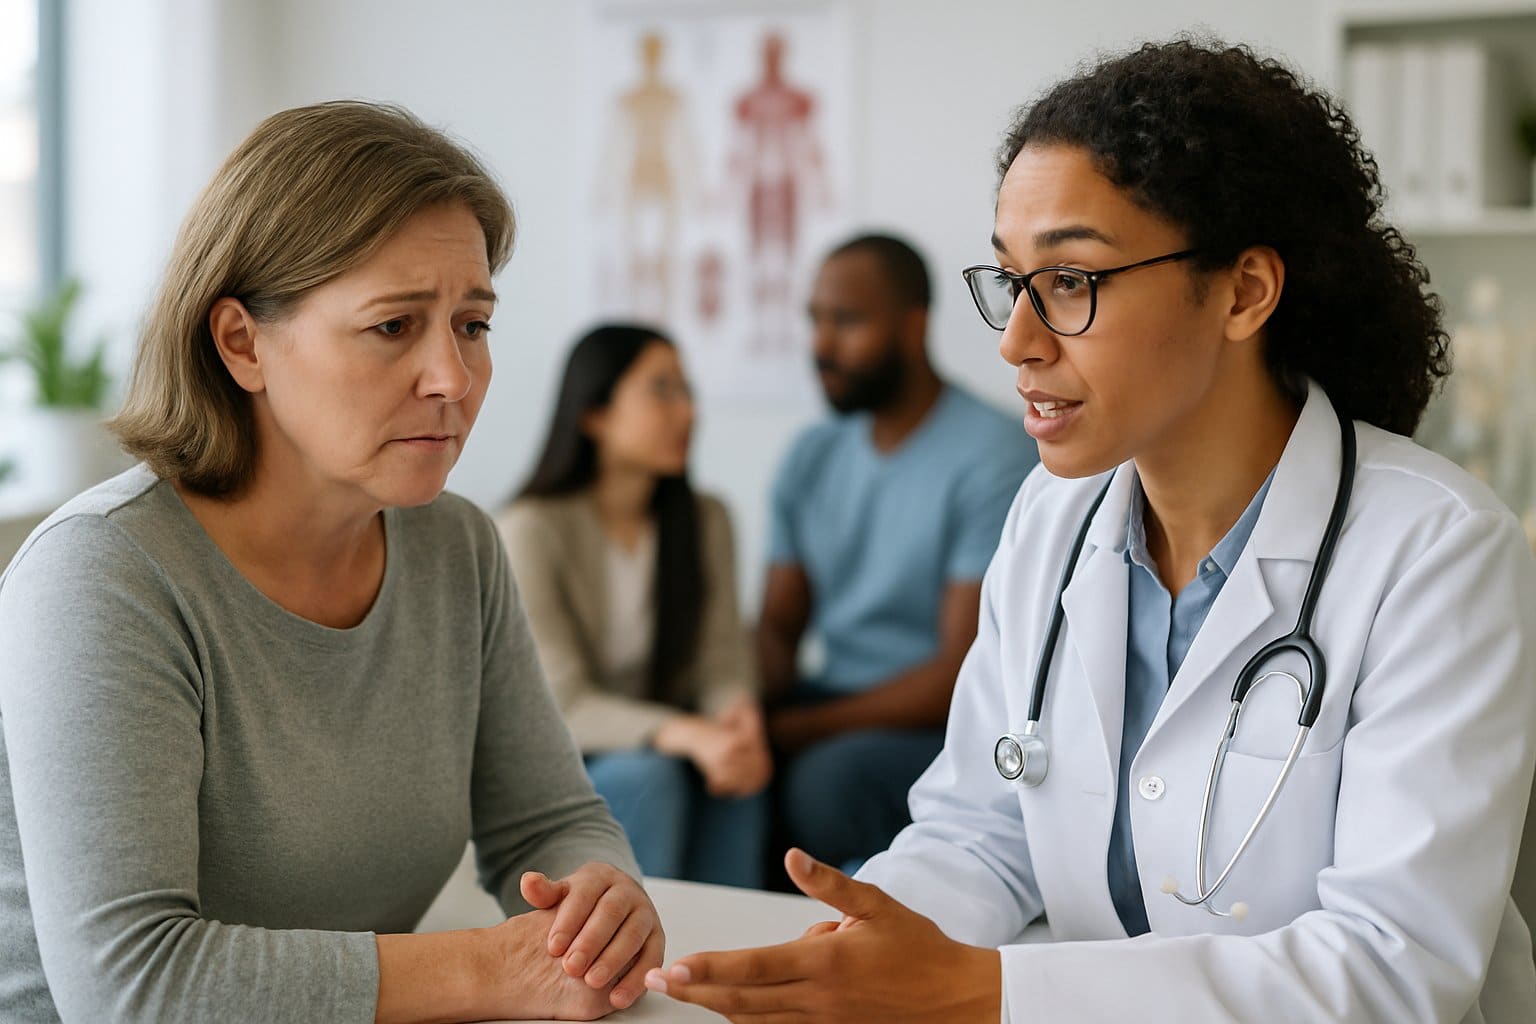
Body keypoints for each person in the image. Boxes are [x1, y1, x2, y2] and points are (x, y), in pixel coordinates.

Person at [647, 39, 1536, 1022]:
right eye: (1010, 280)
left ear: (1244, 290)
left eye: (1071, 281)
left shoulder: (1438, 550)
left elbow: (1393, 969)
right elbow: (980, 832)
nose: (1016, 342)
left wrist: (987, 990)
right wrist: (847, 955)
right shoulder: (1054, 515)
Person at [0, 101, 663, 1023]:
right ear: (242, 343)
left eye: (472, 325)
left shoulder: (458, 548)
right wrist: (496, 968)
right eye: (394, 326)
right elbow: (131, 986)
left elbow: (546, 822)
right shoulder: (102, 577)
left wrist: (602, 898)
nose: (454, 378)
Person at [758, 233, 1038, 874]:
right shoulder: (812, 456)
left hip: (941, 723)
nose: (822, 346)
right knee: (712, 760)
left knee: (829, 780)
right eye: (816, 320)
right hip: (829, 698)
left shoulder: (992, 457)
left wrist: (795, 732)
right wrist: (740, 708)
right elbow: (776, 624)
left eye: (847, 321)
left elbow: (958, 671)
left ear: (914, 327)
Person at [499, 324, 771, 889]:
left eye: (687, 390)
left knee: (739, 777)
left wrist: (735, 721)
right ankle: (641, 954)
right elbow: (564, 705)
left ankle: (735, 955)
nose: (687, 411)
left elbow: (721, 660)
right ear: (594, 414)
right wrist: (691, 734)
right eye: (662, 389)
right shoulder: (530, 531)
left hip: (664, 741)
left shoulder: (705, 519)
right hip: (568, 757)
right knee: (650, 775)